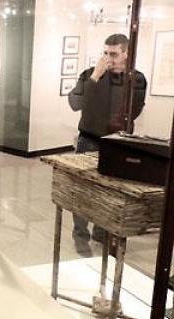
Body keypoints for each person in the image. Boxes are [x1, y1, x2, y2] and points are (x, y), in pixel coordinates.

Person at [68, 33, 147, 255]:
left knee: (110, 190)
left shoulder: (136, 79)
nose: (109, 58)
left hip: (117, 143)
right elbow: (75, 103)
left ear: (126, 54)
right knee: (83, 191)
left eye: (114, 54)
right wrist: (95, 77)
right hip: (89, 140)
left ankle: (101, 232)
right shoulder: (89, 75)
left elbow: (134, 110)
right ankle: (80, 236)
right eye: (105, 53)